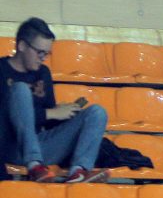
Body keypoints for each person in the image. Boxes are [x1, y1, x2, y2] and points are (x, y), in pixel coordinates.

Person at [0, 16, 109, 182]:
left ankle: (79, 171)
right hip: (10, 147)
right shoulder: (1, 69)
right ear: (21, 46)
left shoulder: (43, 72)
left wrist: (66, 113)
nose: (43, 57)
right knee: (20, 89)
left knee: (97, 113)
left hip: (40, 145)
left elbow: (49, 121)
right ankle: (34, 165)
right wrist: (50, 113)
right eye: (39, 52)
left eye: (47, 53)